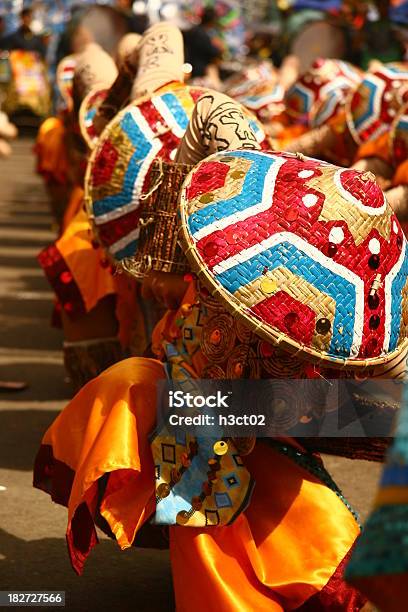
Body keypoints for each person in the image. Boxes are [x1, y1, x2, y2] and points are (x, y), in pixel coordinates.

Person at [33, 74, 408, 610]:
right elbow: (209, 108)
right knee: (149, 396)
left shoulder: (343, 320)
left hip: (266, 415)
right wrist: (169, 229)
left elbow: (387, 393)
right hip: (207, 405)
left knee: (205, 434)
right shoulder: (243, 195)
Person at [184, 7, 222, 79]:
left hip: (192, 66)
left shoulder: (195, 30)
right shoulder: (200, 34)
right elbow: (212, 51)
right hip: (198, 69)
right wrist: (219, 47)